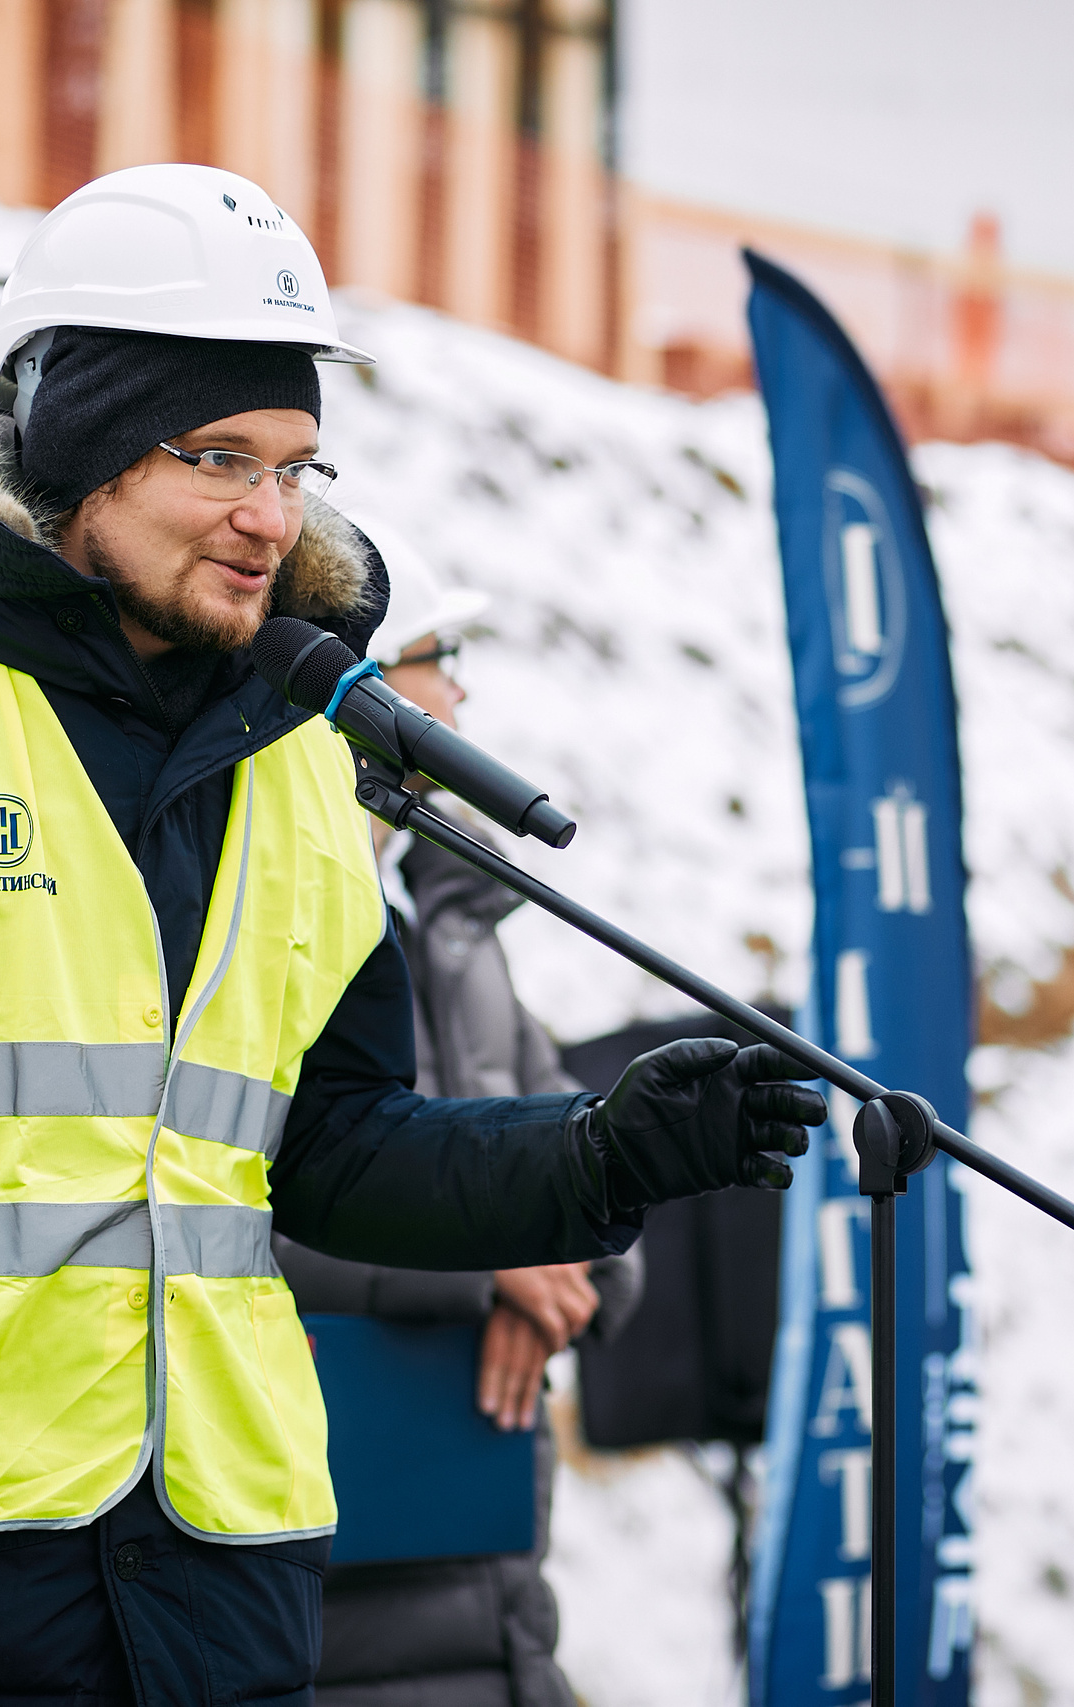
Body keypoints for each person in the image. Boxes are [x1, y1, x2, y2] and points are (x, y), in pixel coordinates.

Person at [0, 164, 825, 1707]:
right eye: (218, 456)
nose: (270, 517)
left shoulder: (299, 757)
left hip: (224, 1594)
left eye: (296, 464)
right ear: (79, 449)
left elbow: (334, 1150)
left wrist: (599, 1155)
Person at [273, 515, 629, 1706]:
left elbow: (585, 1192)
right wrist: (485, 1275)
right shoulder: (252, 902)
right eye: (439, 652)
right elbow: (222, 1203)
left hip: (490, 1590)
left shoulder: (460, 924)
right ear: (359, 681)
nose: (459, 691)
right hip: (326, 1594)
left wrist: (558, 1266)